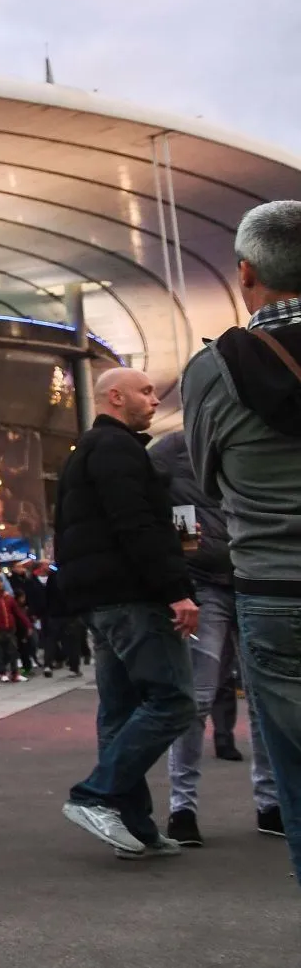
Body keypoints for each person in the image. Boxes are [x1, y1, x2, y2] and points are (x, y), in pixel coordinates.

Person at [184, 198, 301, 869]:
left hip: (273, 589)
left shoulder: (213, 371)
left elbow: (206, 476)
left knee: (296, 783)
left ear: (247, 273)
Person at [55, 367, 197, 858]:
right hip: (132, 595)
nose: (155, 399)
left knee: (119, 712)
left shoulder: (87, 450)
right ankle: (96, 795)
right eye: (146, 391)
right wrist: (176, 590)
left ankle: (133, 826)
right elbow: (137, 524)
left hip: (100, 598)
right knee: (174, 701)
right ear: (115, 397)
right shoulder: (118, 450)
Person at [148, 430, 279, 846]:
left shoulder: (252, 438)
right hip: (205, 583)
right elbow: (146, 501)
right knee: (199, 698)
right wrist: (180, 541)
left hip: (254, 579)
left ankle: (271, 802)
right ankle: (183, 807)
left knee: (263, 699)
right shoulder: (172, 450)